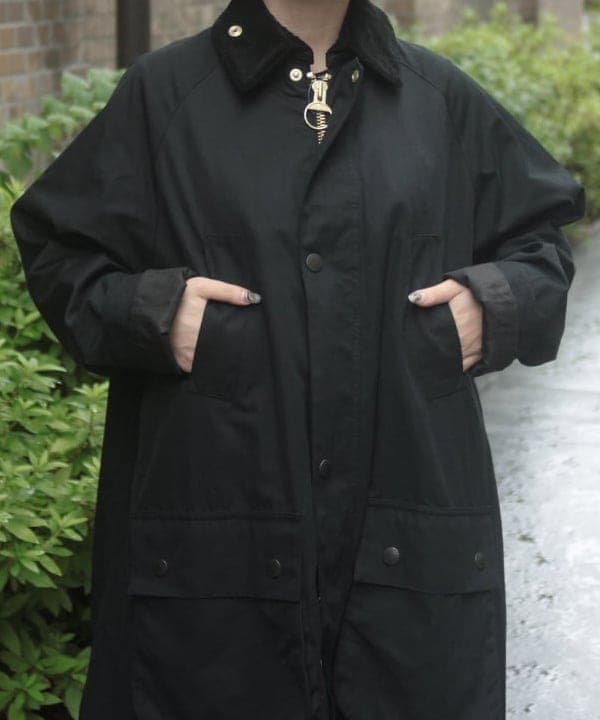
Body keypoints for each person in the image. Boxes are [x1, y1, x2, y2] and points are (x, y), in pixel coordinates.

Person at [9, 0, 585, 718]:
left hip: (405, 562)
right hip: (214, 575)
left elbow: (541, 246)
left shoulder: (437, 99)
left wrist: (491, 301)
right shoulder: (166, 96)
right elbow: (58, 249)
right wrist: (152, 312)